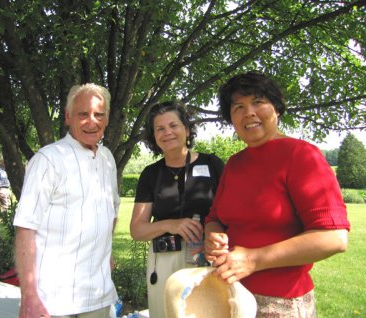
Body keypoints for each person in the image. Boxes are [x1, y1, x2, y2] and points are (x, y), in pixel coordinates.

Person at [204, 72, 350, 317]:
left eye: (258, 102)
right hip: (229, 295)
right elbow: (215, 218)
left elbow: (334, 237)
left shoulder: (302, 155)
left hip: (280, 304)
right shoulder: (234, 164)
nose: (248, 112)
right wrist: (214, 237)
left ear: (277, 108)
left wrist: (253, 259)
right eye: (238, 106)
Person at [13, 83, 120, 318]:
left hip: (98, 294)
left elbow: (111, 210)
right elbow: (25, 229)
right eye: (83, 114)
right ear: (68, 117)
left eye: (99, 114)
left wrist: (106, 250)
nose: (92, 122)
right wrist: (29, 295)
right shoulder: (48, 160)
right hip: (53, 300)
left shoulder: (107, 158)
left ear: (107, 118)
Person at [130, 101, 225, 318]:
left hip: (206, 256)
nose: (167, 133)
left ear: (187, 130)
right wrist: (172, 224)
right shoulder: (150, 174)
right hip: (164, 260)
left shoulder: (213, 165)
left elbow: (231, 214)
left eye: (173, 125)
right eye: (160, 129)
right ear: (153, 136)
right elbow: (137, 230)